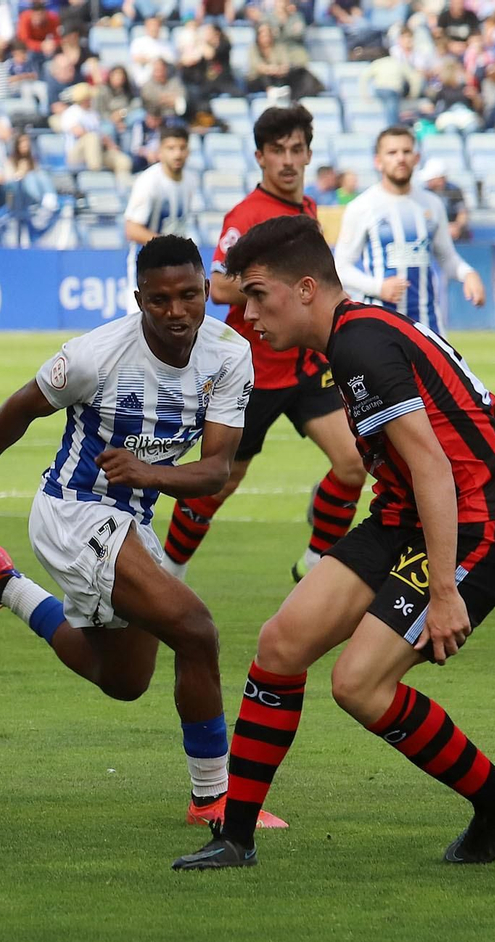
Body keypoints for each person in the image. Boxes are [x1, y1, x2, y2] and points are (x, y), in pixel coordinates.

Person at [172, 213, 495, 872]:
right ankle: (235, 836)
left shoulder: (359, 345)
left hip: (475, 523)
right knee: (280, 644)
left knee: (358, 684)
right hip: (406, 515)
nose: (247, 312)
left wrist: (446, 589)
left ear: (306, 288)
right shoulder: (354, 333)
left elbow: (432, 464)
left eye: (258, 295)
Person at [0, 236, 286, 835]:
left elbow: (215, 471)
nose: (178, 312)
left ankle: (4, 583)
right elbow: (21, 408)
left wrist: (146, 473)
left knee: (124, 681)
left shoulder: (230, 354)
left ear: (207, 291)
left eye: (190, 296)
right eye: (161, 300)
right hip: (72, 512)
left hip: (131, 519)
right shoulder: (95, 356)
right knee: (197, 630)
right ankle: (214, 801)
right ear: (139, 299)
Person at [159, 106, 368, 584]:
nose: (288, 160)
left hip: (309, 366)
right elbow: (218, 283)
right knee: (221, 483)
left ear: (309, 154)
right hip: (253, 373)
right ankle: (169, 570)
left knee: (354, 462)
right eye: (278, 151)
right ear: (260, 157)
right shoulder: (247, 216)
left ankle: (316, 565)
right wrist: (269, 283)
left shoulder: (310, 210)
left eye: (297, 150)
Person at [334, 126, 486, 338]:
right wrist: (378, 287)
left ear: (416, 158)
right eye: (392, 153)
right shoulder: (362, 207)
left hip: (429, 325)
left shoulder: (432, 204)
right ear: (378, 161)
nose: (400, 158)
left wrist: (467, 273)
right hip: (380, 326)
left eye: (406, 152)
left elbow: (447, 257)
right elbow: (341, 267)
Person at [123, 124, 201, 289]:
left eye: (182, 148)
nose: (177, 154)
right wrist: (168, 247)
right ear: (160, 151)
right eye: (171, 148)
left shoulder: (190, 180)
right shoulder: (149, 182)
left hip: (176, 266)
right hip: (147, 265)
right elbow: (132, 229)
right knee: (144, 314)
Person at [419, 157, 469, 243]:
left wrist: (456, 226)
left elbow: (462, 213)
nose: (428, 182)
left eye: (431, 179)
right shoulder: (424, 192)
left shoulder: (454, 190)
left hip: (454, 233)